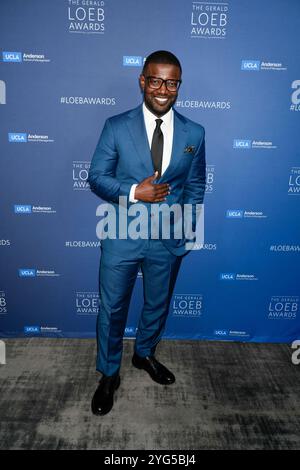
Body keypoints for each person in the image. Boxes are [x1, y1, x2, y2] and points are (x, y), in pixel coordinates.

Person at [88, 50, 206, 416]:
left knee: (157, 304)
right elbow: (96, 177)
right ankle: (109, 374)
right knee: (112, 308)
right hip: (122, 233)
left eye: (172, 83)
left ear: (178, 86)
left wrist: (188, 231)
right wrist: (134, 192)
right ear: (142, 81)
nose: (163, 89)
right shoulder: (116, 126)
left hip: (168, 239)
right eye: (155, 80)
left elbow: (196, 185)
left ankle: (144, 354)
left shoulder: (195, 133)